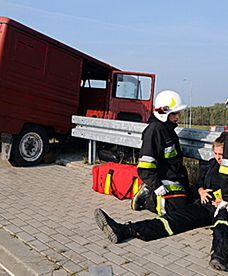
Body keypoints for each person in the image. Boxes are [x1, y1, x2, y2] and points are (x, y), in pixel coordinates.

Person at [94, 132, 228, 271]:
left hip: (223, 209)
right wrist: (200, 190)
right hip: (203, 207)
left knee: (222, 224)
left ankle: (219, 256)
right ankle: (126, 230)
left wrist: (224, 201)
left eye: (221, 154)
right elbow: (199, 181)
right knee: (172, 220)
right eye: (216, 153)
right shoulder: (212, 164)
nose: (218, 158)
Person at [131, 90, 192, 215]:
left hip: (173, 177)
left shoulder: (169, 129)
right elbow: (145, 167)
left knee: (189, 205)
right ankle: (146, 197)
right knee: (174, 210)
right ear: (164, 112)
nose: (177, 117)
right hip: (160, 180)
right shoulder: (154, 130)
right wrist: (157, 185)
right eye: (174, 113)